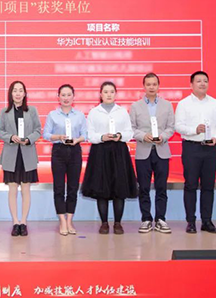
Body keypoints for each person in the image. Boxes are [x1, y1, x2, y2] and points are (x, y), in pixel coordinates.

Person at [82, 81, 138, 235]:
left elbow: (129, 132)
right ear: (100, 94)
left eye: (111, 92)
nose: (108, 95)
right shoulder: (94, 112)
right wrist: (102, 137)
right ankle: (104, 223)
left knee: (119, 188)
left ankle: (118, 223)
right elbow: (89, 134)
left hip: (119, 152)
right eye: (105, 92)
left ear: (116, 94)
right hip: (100, 152)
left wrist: (120, 136)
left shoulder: (122, 112)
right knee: (101, 189)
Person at [175, 71, 216, 234]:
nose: (202, 84)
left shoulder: (215, 104)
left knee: (208, 186)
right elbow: (178, 126)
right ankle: (191, 222)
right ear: (191, 85)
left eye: (205, 81)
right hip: (191, 148)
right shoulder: (184, 104)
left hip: (210, 148)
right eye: (198, 81)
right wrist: (194, 130)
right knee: (190, 185)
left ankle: (207, 221)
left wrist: (215, 137)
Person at [130, 73, 175, 234]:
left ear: (158, 86)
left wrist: (163, 136)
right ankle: (146, 219)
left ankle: (161, 219)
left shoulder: (167, 105)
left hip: (162, 151)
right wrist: (143, 136)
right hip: (143, 151)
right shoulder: (135, 106)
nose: (151, 87)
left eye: (154, 84)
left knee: (161, 187)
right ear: (144, 86)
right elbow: (132, 128)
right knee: (143, 188)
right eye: (148, 84)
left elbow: (171, 127)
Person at [0, 81, 41, 237]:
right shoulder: (4, 112)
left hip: (27, 154)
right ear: (11, 93)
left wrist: (29, 139)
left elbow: (38, 130)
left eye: (20, 90)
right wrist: (10, 137)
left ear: (25, 93)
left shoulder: (32, 110)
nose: (17, 93)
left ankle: (24, 222)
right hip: (11, 155)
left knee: (26, 189)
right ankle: (15, 222)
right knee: (13, 189)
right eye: (15, 90)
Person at [43, 84, 86, 235]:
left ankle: (69, 220)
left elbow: (85, 134)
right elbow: (46, 134)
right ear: (58, 97)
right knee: (59, 187)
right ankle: (62, 220)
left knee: (73, 188)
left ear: (73, 97)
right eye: (63, 95)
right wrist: (58, 137)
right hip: (58, 151)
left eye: (69, 95)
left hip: (75, 151)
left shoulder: (79, 115)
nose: (66, 98)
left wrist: (77, 140)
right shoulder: (52, 115)